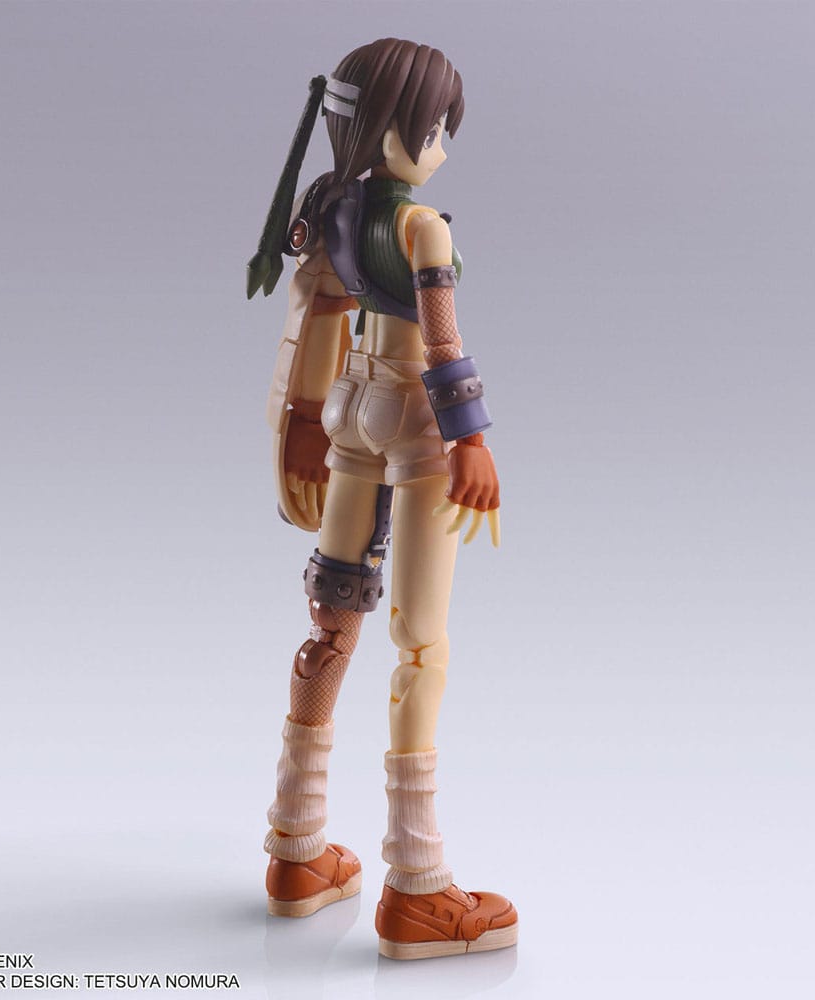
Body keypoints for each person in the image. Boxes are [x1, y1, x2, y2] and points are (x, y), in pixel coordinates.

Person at [247, 38, 517, 960]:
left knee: (333, 623)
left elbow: (317, 314)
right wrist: (471, 438)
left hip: (350, 412)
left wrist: (305, 424)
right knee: (419, 642)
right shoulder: (422, 226)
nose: (440, 145)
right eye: (433, 126)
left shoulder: (332, 206)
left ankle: (295, 852)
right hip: (416, 423)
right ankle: (418, 886)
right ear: (387, 127)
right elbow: (442, 342)